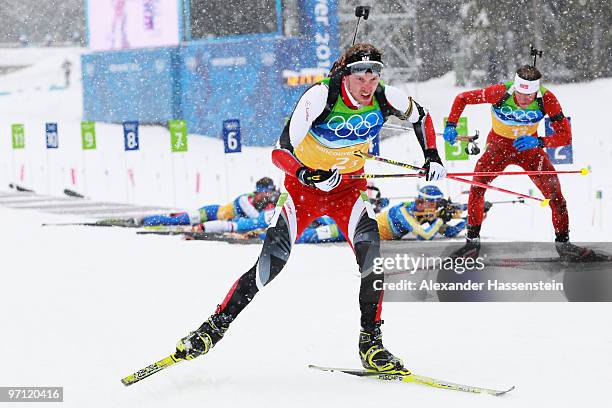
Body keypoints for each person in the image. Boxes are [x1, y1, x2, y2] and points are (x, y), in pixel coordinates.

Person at [173, 43, 446, 374]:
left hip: (348, 191)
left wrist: (431, 156)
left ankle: (371, 345)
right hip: (302, 193)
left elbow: (423, 118)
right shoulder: (321, 97)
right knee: (269, 267)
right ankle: (211, 330)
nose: (367, 86)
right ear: (347, 75)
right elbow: (280, 152)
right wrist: (308, 173)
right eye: (361, 77)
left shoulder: (387, 97)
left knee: (372, 262)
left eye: (374, 77)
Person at [443, 64, 587, 260]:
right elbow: (462, 98)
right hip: (498, 147)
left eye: (529, 96)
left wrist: (540, 141)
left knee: (556, 196)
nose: (524, 100)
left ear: (536, 91)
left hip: (529, 150)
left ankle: (564, 244)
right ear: (515, 88)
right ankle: (472, 244)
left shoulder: (547, 99)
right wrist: (451, 124)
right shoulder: (500, 92)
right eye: (520, 95)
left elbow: (565, 136)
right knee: (477, 188)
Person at [299, 185, 467, 243]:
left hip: (360, 228)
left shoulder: (422, 214)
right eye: (435, 204)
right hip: (357, 230)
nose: (436, 208)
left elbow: (448, 232)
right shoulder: (404, 212)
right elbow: (424, 236)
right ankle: (275, 232)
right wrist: (440, 219)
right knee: (307, 236)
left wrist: (468, 220)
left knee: (318, 223)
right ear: (425, 201)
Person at [139, 177, 278, 227]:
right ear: (260, 191)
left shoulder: (261, 203)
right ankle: (145, 220)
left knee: (181, 218)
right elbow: (255, 218)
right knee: (178, 221)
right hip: (211, 213)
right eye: (267, 192)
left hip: (217, 220)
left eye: (270, 193)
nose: (268, 196)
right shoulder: (245, 199)